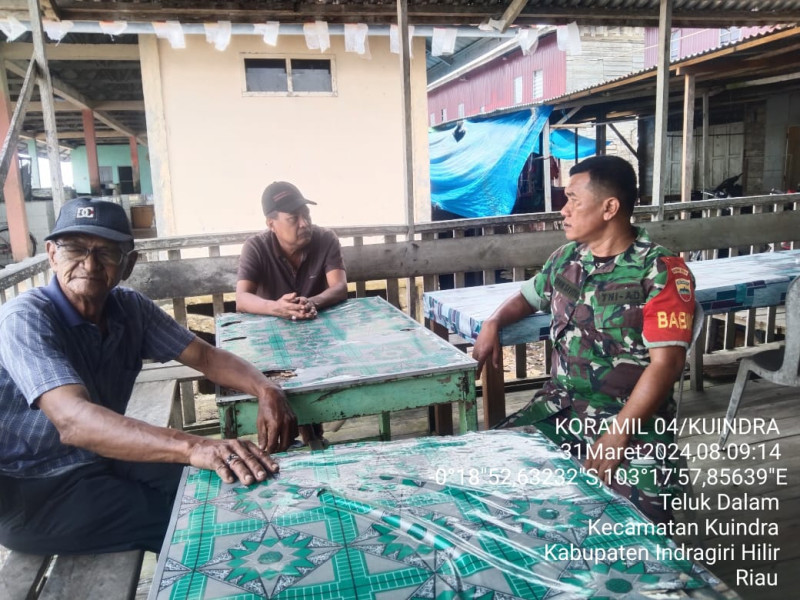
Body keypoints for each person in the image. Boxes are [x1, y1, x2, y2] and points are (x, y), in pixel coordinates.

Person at [0, 197, 298, 555]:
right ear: (51, 254)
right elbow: (72, 420)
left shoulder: (128, 307)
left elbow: (205, 356)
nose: (89, 264)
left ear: (128, 264)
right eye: (75, 249)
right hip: (33, 486)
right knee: (195, 524)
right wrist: (196, 445)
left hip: (101, 456)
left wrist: (266, 389)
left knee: (233, 483)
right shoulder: (25, 318)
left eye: (106, 253)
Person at [473, 155, 695, 524]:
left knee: (641, 521)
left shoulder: (659, 271)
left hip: (630, 416)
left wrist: (617, 435)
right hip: (559, 406)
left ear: (610, 207)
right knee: (488, 474)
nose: (564, 210)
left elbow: (667, 364)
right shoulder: (566, 259)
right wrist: (494, 320)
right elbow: (528, 297)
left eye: (574, 199)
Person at [236, 181, 347, 321]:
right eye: (293, 218)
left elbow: (339, 287)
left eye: (306, 214)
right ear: (271, 224)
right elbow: (242, 298)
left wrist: (311, 302)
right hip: (270, 329)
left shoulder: (326, 239)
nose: (304, 223)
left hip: (318, 324)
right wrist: (277, 307)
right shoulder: (256, 247)